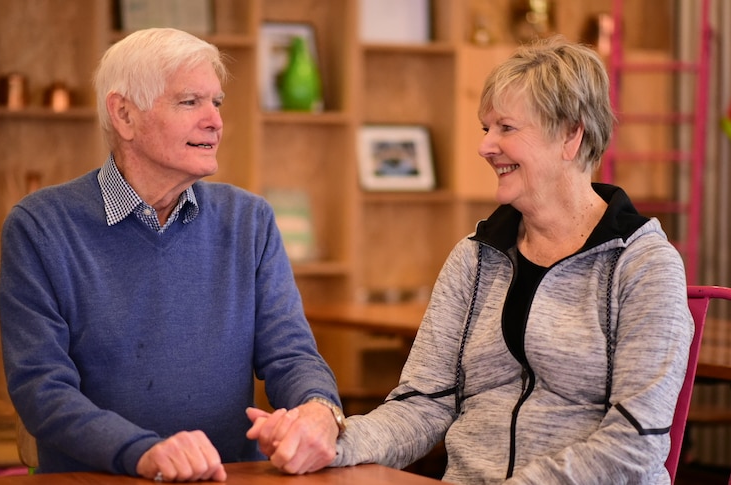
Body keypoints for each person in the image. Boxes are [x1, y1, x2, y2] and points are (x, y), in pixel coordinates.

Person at [248, 36, 694, 484]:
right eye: (486, 129)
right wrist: (329, 442)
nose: (485, 146)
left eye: (506, 128)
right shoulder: (475, 257)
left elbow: (636, 441)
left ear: (571, 135)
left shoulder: (644, 264)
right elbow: (424, 403)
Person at [0, 28, 344, 482]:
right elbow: (42, 390)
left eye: (216, 103)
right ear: (124, 115)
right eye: (189, 102)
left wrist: (320, 408)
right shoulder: (40, 226)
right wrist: (144, 452)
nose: (215, 121)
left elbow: (291, 356)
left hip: (231, 477)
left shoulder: (250, 220)